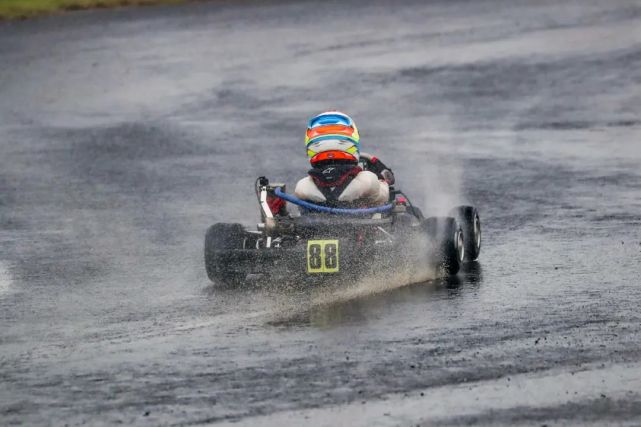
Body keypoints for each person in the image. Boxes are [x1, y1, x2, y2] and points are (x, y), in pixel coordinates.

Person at [293, 111, 395, 209]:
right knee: (379, 187)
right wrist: (383, 181)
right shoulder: (367, 179)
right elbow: (387, 185)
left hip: (315, 212)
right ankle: (369, 212)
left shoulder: (303, 186)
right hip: (361, 206)